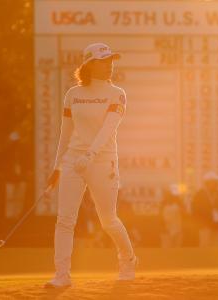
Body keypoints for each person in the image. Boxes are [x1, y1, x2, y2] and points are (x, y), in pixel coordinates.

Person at [44, 42, 137, 288]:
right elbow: (65, 134)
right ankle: (61, 275)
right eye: (104, 60)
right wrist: (57, 167)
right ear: (89, 64)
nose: (110, 64)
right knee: (65, 220)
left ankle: (127, 260)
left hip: (103, 161)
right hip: (73, 161)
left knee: (108, 220)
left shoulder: (117, 93)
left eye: (110, 60)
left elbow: (109, 128)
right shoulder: (72, 95)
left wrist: (91, 155)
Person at [191, 171, 218, 246]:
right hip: (205, 227)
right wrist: (203, 222)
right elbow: (196, 211)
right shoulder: (199, 195)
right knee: (205, 250)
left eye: (217, 182)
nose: (217, 184)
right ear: (208, 183)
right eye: (215, 182)